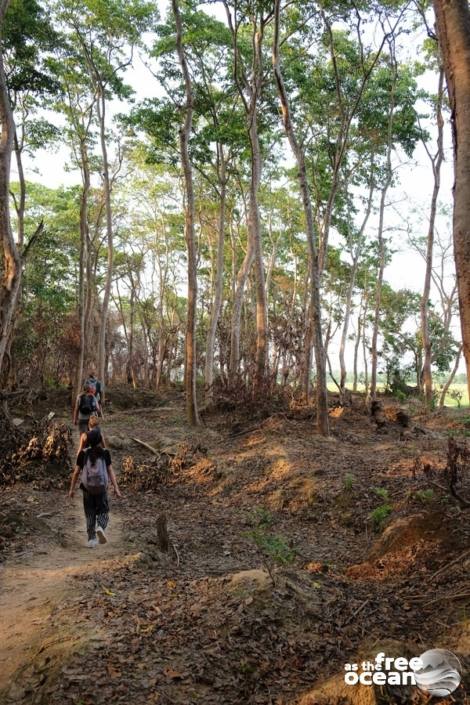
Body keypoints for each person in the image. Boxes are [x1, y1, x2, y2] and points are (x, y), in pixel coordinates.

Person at [68, 430, 122, 548]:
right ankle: (101, 527)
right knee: (104, 511)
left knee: (89, 513)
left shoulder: (82, 454)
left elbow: (76, 472)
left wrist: (71, 489)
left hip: (87, 489)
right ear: (99, 440)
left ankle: (91, 539)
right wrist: (116, 488)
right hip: (102, 488)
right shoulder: (105, 453)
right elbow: (110, 471)